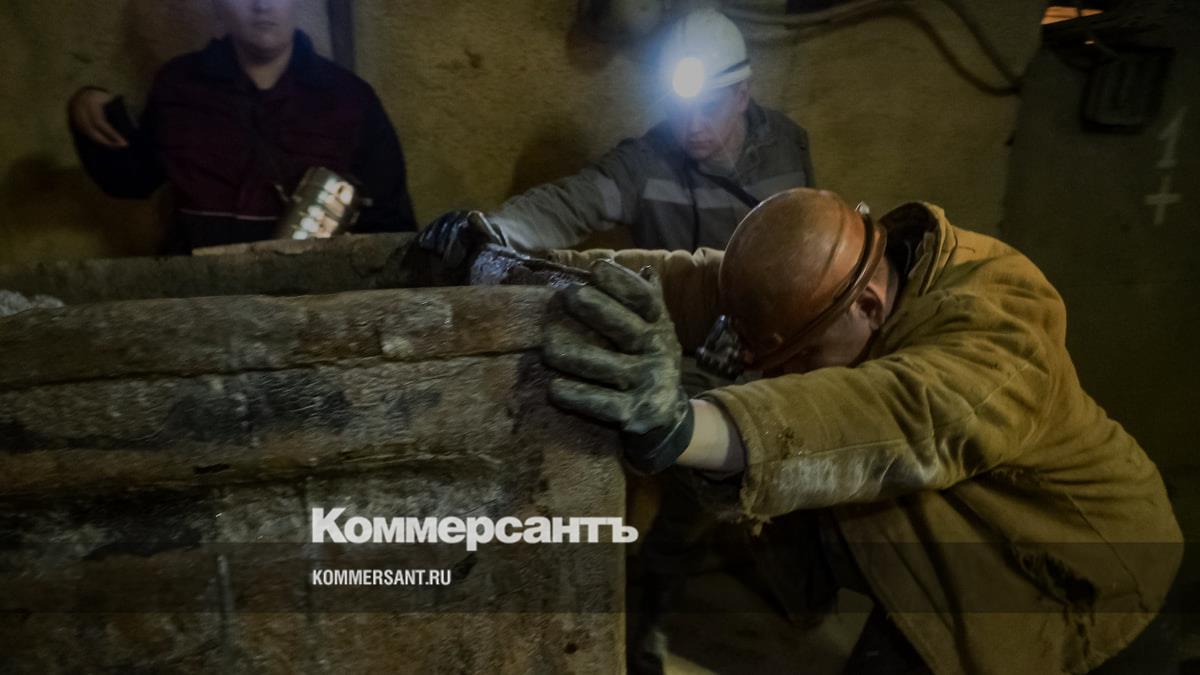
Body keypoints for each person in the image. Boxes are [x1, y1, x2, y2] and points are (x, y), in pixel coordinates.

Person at [539, 188, 1182, 673]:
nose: (780, 374)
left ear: (868, 307)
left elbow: (888, 415)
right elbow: (692, 282)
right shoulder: (841, 288)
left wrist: (681, 428)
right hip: (945, 574)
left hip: (1083, 589)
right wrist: (534, 270)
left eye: (799, 357)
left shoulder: (998, 324)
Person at [419, 8, 815, 259]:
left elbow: (813, 238)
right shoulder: (646, 166)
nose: (693, 126)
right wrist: (485, 231)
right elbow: (569, 204)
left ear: (742, 95)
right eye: (680, 110)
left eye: (709, 107)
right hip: (691, 345)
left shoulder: (788, 146)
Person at [68, 0, 416, 253]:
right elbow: (133, 180)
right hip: (199, 299)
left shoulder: (349, 98)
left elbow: (390, 224)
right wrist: (90, 111)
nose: (262, 5)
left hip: (311, 303)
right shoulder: (180, 85)